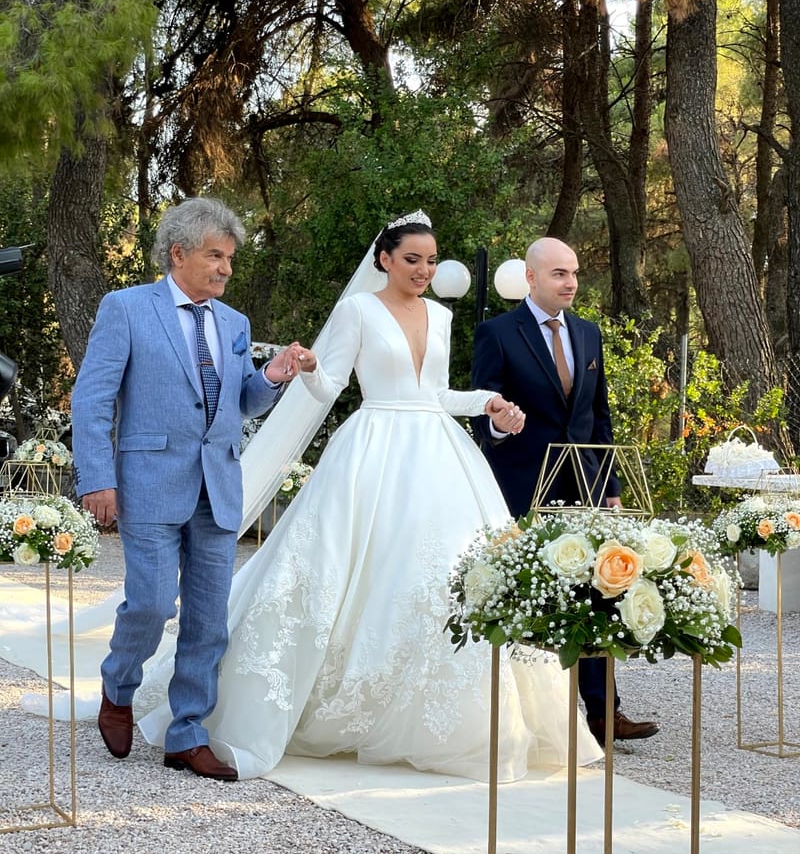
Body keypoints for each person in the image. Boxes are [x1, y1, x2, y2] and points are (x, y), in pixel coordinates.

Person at [137, 211, 602, 781]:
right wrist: (305, 368)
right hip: (372, 446)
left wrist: (487, 403)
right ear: (384, 259)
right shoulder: (358, 310)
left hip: (437, 452)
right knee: (346, 567)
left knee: (443, 573)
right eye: (413, 260)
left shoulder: (441, 315)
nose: (424, 271)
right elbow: (332, 386)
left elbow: (435, 394)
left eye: (431, 261)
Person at [71, 197, 305, 781]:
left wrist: (271, 377)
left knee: (208, 620)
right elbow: (92, 399)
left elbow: (239, 401)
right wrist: (97, 477)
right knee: (151, 602)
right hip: (147, 481)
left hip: (218, 485)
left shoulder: (234, 324)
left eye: (229, 258)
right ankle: (118, 687)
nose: (225, 268)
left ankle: (188, 733)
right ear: (178, 253)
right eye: (214, 256)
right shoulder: (125, 308)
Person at [471, 236, 658, 747]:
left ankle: (604, 714)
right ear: (530, 278)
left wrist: (611, 485)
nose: (570, 282)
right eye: (558, 273)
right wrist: (500, 426)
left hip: (587, 483)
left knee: (600, 591)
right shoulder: (497, 334)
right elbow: (481, 411)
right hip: (522, 485)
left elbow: (598, 416)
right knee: (531, 597)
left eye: (573, 272)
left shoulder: (589, 334)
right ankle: (524, 718)